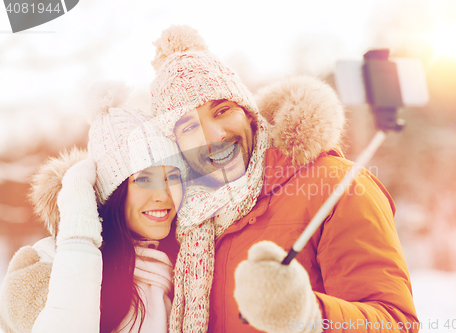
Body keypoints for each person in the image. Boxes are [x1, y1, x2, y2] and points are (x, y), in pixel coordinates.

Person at [149, 25, 420, 333]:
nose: (215, 136)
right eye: (188, 128)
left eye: (222, 110)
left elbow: (396, 323)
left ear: (248, 113)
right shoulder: (182, 222)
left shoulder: (337, 186)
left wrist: (310, 316)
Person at [0, 81, 187, 333]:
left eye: (172, 177)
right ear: (112, 192)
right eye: (143, 179)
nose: (163, 195)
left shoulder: (188, 267)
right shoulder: (44, 265)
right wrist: (78, 234)